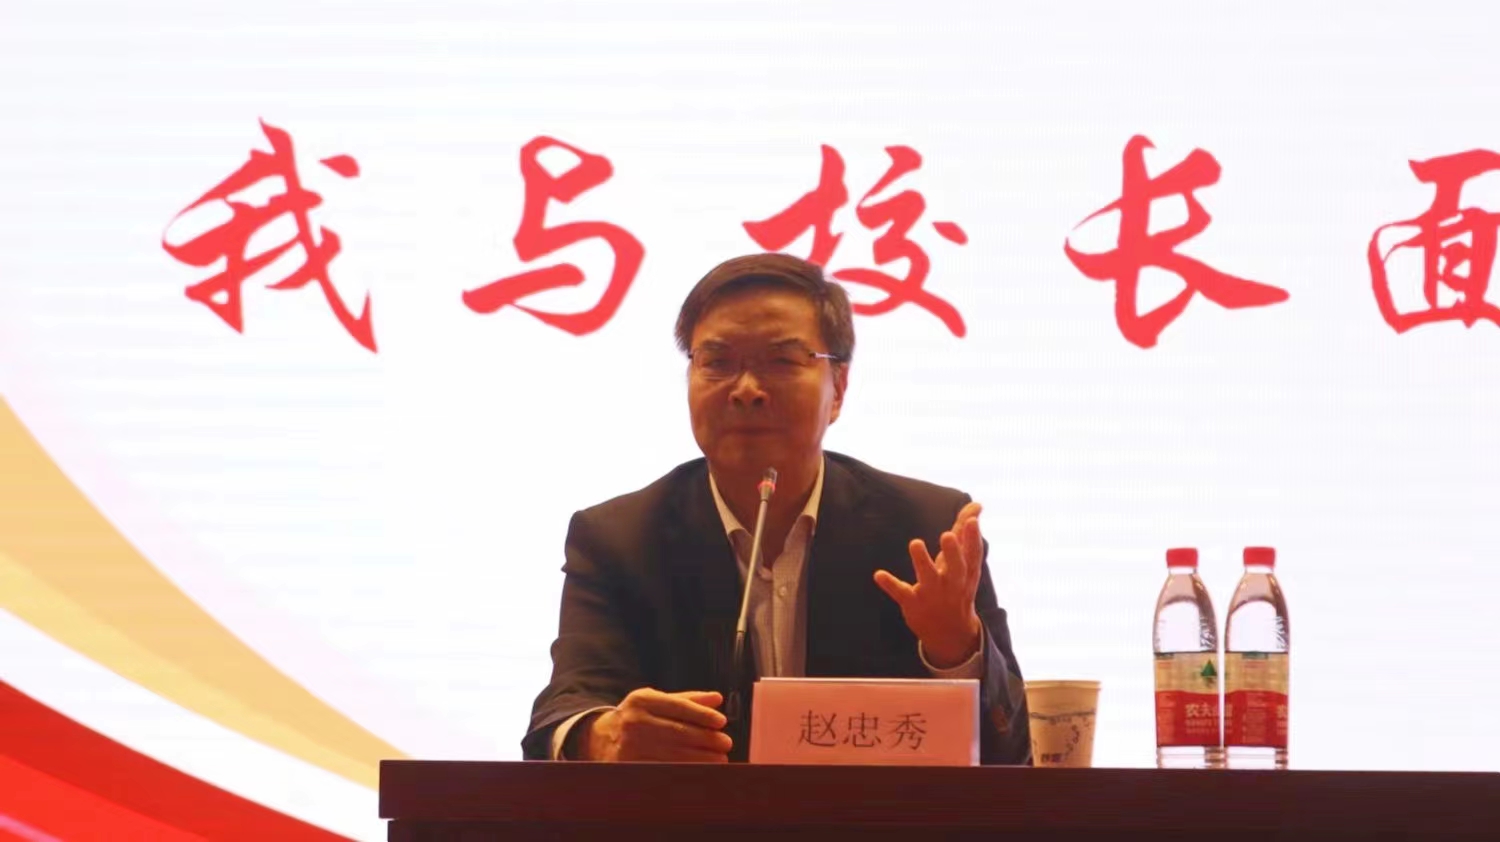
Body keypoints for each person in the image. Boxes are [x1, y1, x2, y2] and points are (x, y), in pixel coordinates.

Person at [522, 253, 1030, 764]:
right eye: (717, 362)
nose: (747, 390)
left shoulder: (926, 531)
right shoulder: (620, 539)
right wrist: (603, 736)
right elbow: (562, 712)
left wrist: (956, 651)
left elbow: (1016, 752)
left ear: (839, 389)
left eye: (782, 362)